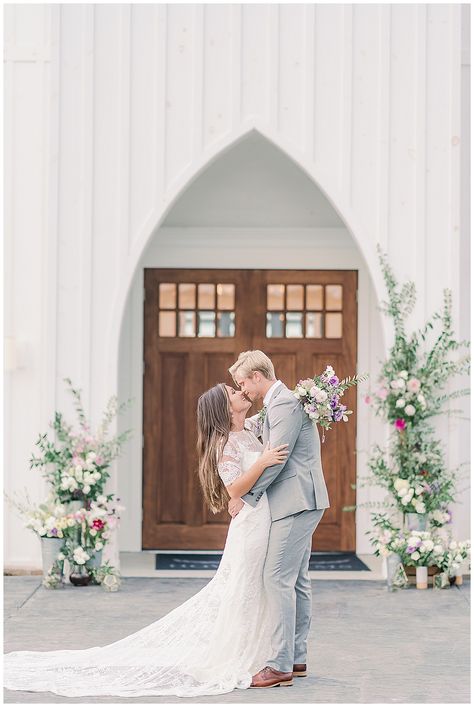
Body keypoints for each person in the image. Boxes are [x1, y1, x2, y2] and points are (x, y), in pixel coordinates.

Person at [3, 383, 289, 698]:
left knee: (257, 585)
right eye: (232, 393)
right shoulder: (226, 444)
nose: (240, 393)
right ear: (224, 408)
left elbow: (275, 415)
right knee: (244, 586)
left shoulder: (250, 428)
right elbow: (234, 488)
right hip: (249, 525)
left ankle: (262, 652)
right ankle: (238, 655)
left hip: (261, 515)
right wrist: (261, 463)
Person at [228, 350, 330, 689]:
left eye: (243, 383)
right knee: (296, 579)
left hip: (296, 501)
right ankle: (296, 657)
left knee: (276, 577)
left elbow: (278, 460)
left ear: (258, 376)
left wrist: (247, 497)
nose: (243, 391)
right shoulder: (278, 404)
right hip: (301, 500)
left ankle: (279, 663)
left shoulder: (283, 403)